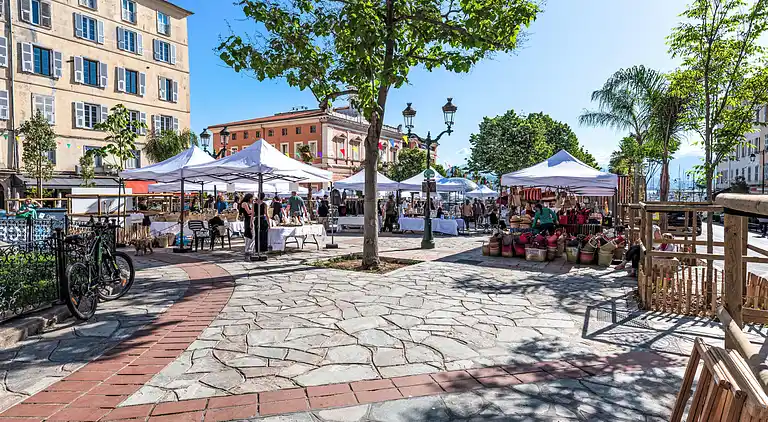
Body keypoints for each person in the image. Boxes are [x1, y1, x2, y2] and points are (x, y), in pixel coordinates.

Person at [239, 194, 254, 258]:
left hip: (248, 219)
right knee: (249, 234)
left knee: (249, 234)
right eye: (251, 198)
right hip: (248, 220)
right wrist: (255, 210)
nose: (252, 199)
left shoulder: (246, 203)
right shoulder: (244, 203)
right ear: (249, 198)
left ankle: (247, 248)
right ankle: (247, 248)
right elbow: (248, 212)